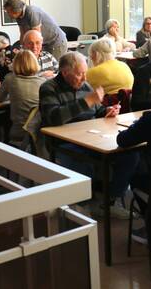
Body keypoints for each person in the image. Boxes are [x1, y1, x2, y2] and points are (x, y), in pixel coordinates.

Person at [39, 52, 132, 217]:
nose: (84, 78)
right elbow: (54, 117)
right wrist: (87, 101)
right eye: (79, 73)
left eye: (85, 73)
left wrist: (108, 111)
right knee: (82, 161)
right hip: (62, 142)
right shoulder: (49, 88)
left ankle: (110, 200)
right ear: (65, 73)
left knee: (129, 155)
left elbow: (97, 111)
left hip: (91, 137)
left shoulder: (85, 86)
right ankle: (82, 205)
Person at [0, 50, 46, 146]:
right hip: (38, 133)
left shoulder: (10, 79)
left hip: (19, 133)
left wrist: (12, 95)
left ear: (15, 64)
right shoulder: (43, 82)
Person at [3, 0, 68, 59]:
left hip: (56, 42)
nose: (7, 14)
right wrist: (21, 49)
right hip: (44, 43)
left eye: (8, 12)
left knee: (52, 65)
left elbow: (36, 36)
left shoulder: (31, 12)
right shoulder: (18, 17)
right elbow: (22, 34)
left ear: (16, 10)